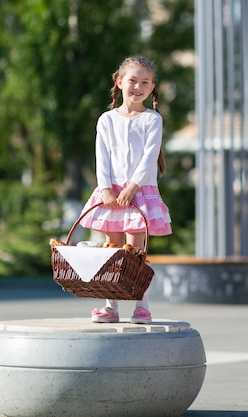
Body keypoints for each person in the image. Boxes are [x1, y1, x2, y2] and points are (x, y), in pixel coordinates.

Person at [78, 55, 172, 324]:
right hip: (111, 195)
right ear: (119, 82)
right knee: (112, 251)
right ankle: (110, 306)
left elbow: (149, 156)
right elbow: (102, 156)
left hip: (138, 193)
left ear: (152, 88)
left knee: (136, 253)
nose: (138, 87)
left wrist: (132, 187)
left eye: (145, 82)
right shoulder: (107, 120)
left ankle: (141, 306)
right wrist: (105, 188)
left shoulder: (152, 120)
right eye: (132, 80)